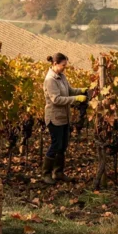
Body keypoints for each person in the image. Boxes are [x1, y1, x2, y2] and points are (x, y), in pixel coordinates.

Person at [42, 53, 88, 185]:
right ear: (55, 64)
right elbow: (56, 99)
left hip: (64, 117)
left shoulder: (61, 77)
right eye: (63, 65)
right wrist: (76, 99)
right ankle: (45, 174)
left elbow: (70, 90)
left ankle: (58, 173)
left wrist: (82, 91)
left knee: (63, 146)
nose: (64, 68)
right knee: (55, 145)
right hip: (54, 117)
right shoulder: (50, 80)